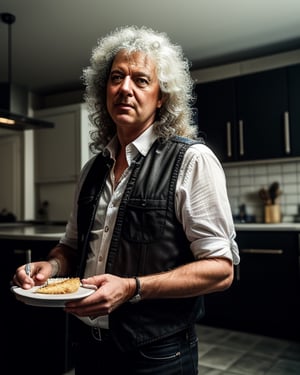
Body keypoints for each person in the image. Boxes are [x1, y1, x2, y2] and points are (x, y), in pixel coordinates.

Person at [13, 25, 239, 375]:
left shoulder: (192, 160)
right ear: (104, 89)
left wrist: (133, 288)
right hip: (88, 350)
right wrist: (52, 267)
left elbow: (220, 270)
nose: (125, 89)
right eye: (116, 77)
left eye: (141, 80)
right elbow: (71, 247)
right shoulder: (92, 169)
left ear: (161, 96)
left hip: (158, 357)